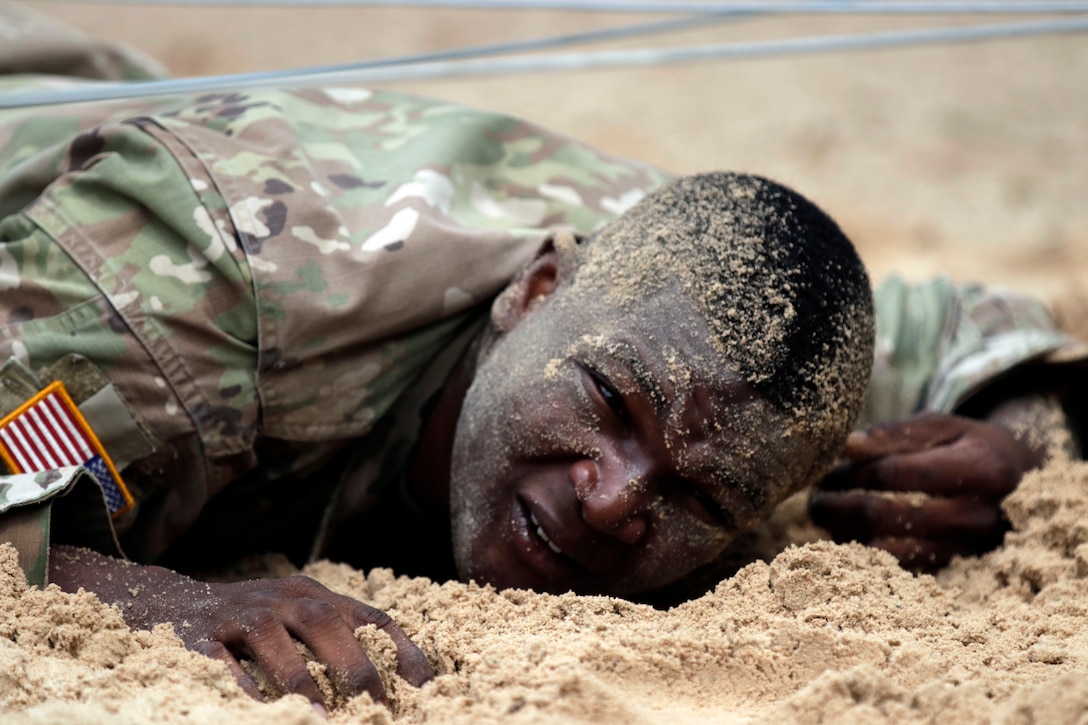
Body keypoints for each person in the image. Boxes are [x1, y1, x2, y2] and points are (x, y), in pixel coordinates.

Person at [0, 5, 1084, 713]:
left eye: (701, 496)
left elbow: (962, 327)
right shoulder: (193, 282)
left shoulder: (721, 367)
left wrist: (1019, 436)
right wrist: (153, 594)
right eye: (609, 403)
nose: (615, 500)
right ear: (533, 291)